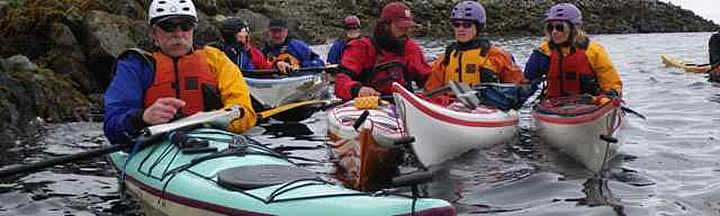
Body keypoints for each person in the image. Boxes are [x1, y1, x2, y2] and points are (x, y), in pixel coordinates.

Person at [103, 0, 256, 144]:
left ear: (193, 30)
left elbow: (245, 112)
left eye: (185, 26)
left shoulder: (216, 60)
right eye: (168, 27)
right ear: (154, 33)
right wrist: (142, 118)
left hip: (211, 141)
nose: (178, 33)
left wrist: (220, 118)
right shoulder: (136, 65)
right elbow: (112, 124)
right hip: (152, 143)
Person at [335, 2, 431, 100]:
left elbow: (429, 80)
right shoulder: (361, 47)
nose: (406, 32)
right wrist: (358, 90)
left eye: (408, 27)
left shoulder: (411, 48)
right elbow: (341, 81)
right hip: (366, 105)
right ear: (385, 26)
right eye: (401, 27)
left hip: (400, 105)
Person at [524, 3, 622, 99]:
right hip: (554, 106)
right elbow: (527, 83)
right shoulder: (543, 52)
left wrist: (610, 96)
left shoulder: (593, 51)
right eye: (550, 27)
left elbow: (612, 85)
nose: (554, 32)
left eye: (560, 27)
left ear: (574, 29)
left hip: (590, 105)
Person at [424, 1, 525, 92]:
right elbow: (430, 91)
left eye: (467, 25)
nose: (461, 29)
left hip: (486, 106)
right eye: (456, 24)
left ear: (478, 27)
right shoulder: (446, 57)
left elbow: (517, 88)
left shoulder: (496, 56)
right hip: (450, 106)